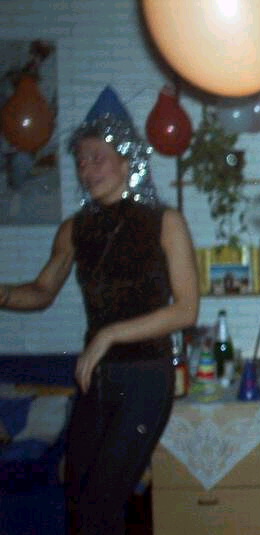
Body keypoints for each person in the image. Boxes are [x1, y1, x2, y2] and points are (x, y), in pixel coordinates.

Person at [0, 112, 199, 534]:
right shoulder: (74, 229)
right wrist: (2, 294)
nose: (86, 169)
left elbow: (186, 310)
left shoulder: (165, 222)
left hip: (146, 377)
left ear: (127, 162)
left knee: (101, 504)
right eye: (80, 161)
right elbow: (42, 291)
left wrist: (108, 334)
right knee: (78, 499)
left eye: (96, 158)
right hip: (96, 378)